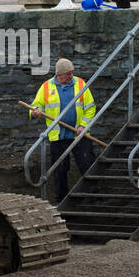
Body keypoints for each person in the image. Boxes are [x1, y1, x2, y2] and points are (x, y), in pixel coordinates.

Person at [29, 57, 97, 204]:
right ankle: (62, 201)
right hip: (58, 137)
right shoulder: (46, 87)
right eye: (68, 74)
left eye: (72, 73)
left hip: (79, 135)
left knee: (87, 166)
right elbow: (37, 105)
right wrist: (35, 112)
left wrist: (83, 126)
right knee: (60, 170)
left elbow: (90, 107)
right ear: (59, 75)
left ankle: (94, 200)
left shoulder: (80, 83)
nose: (71, 76)